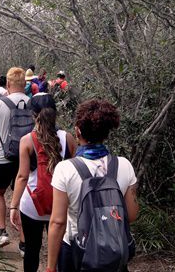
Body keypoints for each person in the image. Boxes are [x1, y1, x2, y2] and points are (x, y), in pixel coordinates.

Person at [46, 99, 139, 272]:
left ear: (78, 131)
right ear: (106, 133)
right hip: (113, 249)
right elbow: (131, 215)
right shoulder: (124, 165)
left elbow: (58, 222)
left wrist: (51, 266)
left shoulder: (65, 169)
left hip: (75, 250)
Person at [9, 93, 76, 272]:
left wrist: (13, 206)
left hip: (32, 204)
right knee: (60, 248)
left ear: (34, 115)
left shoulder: (27, 141)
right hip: (60, 205)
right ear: (55, 114)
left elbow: (22, 176)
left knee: (32, 249)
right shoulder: (68, 138)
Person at [0, 67, 30, 249]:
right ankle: (25, 244)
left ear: (8, 84)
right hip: (27, 160)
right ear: (25, 84)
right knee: (23, 197)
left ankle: (2, 232)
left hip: (3, 157)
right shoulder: (33, 104)